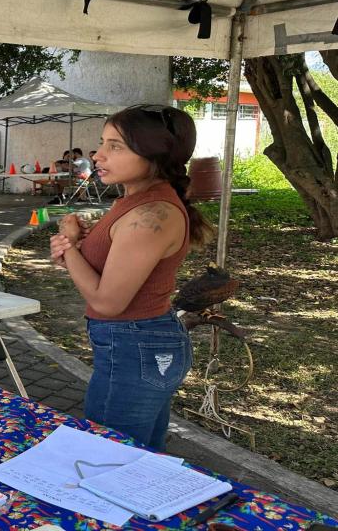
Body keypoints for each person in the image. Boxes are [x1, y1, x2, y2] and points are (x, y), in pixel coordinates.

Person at [49, 104, 214, 451]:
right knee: (133, 456)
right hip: (136, 343)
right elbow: (107, 274)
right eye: (102, 143)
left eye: (116, 146)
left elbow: (108, 302)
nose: (97, 155)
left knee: (107, 456)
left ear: (154, 154)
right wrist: (78, 248)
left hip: (136, 344)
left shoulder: (152, 213)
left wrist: (69, 249)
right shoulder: (135, 201)